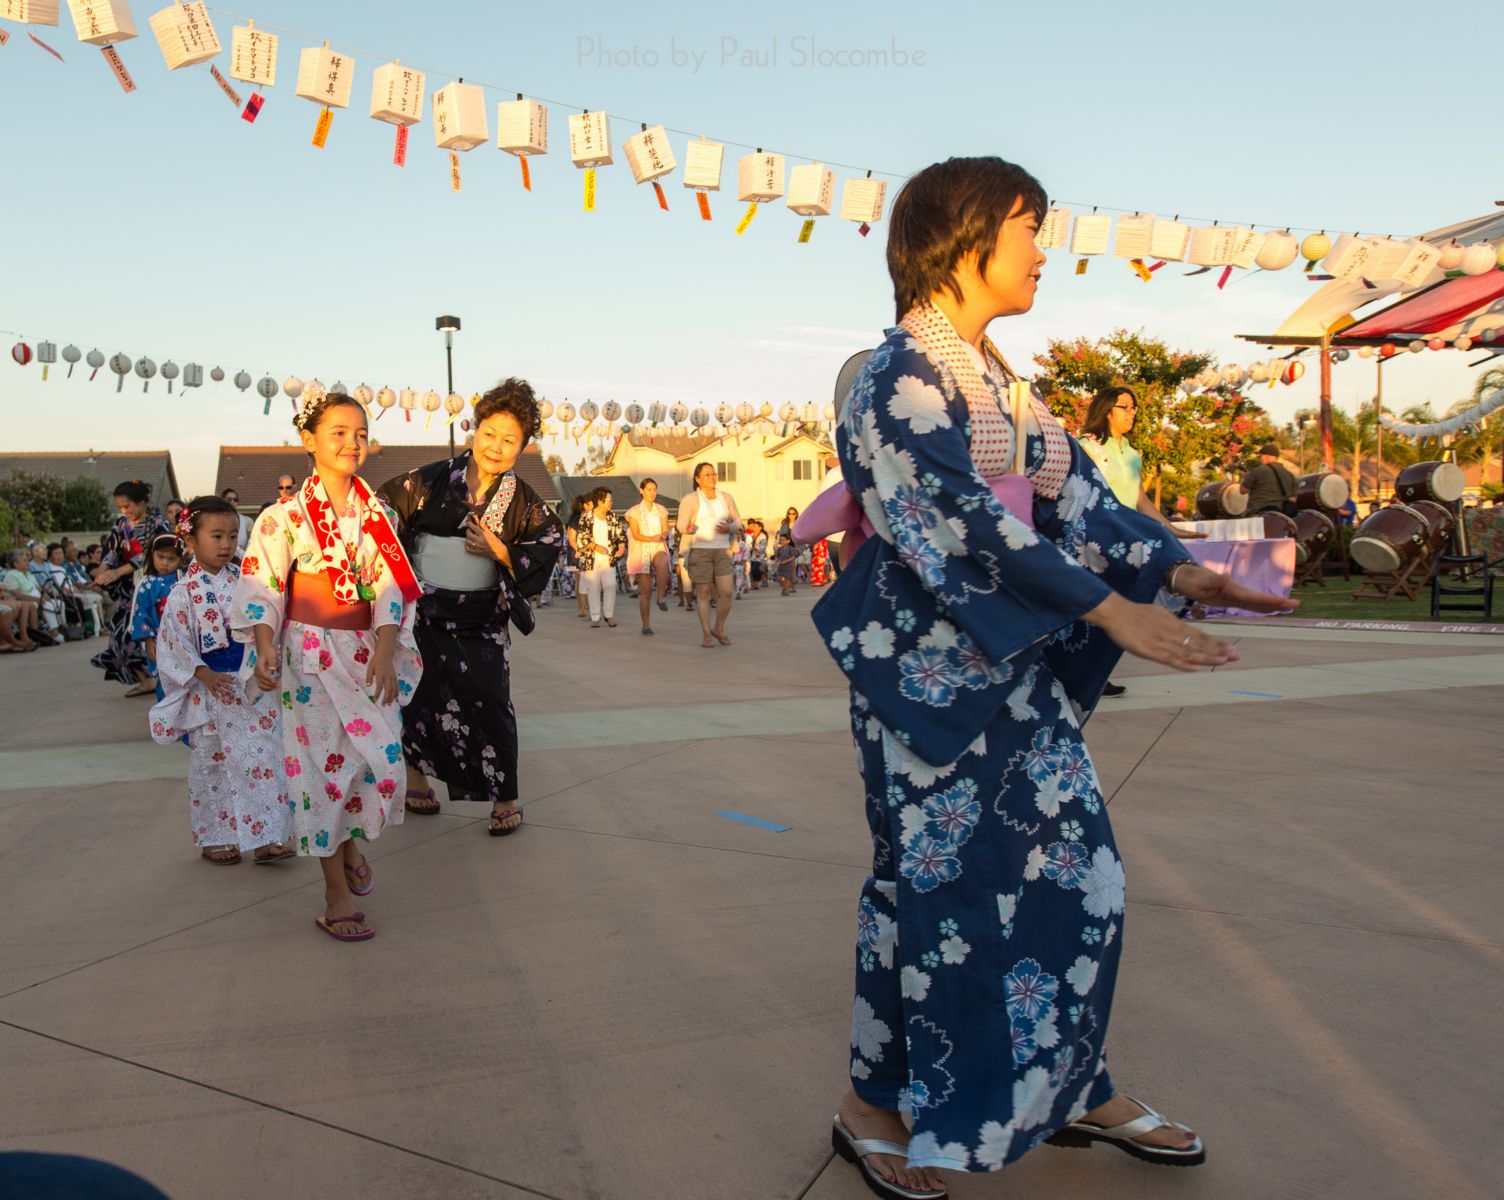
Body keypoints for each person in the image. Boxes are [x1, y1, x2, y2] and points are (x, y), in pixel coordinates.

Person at [812, 156, 1295, 1196]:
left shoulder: (997, 383)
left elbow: (1078, 501)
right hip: (928, 690)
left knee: (1083, 883)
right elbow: (959, 525)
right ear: (963, 234)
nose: (1045, 248)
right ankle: (871, 1106)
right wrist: (1108, 606)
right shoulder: (896, 376)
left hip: (1013, 673)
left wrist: (1182, 570)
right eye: (1029, 226)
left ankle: (1072, 1084)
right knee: (929, 900)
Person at [232, 390, 422, 942]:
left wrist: (387, 649)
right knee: (319, 777)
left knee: (379, 767)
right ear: (308, 440)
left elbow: (391, 586)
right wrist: (264, 644)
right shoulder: (280, 518)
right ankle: (335, 893)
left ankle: (351, 842)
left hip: (366, 655)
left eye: (360, 433)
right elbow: (262, 586)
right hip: (309, 660)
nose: (351, 443)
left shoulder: (378, 515)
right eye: (338, 432)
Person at [380, 378, 563, 835]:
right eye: (489, 435)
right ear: (473, 430)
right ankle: (417, 779)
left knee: (491, 703)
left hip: (481, 619)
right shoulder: (431, 478)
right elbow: (381, 512)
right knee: (418, 697)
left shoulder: (521, 499)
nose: (496, 448)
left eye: (509, 440)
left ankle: (505, 797)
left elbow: (550, 539)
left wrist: (502, 552)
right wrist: (401, 582)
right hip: (424, 612)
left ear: (522, 446)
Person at [150, 497, 294, 866]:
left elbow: (267, 622)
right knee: (211, 767)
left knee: (262, 760)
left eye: (232, 535)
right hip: (209, 689)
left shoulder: (248, 583)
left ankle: (268, 836)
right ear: (192, 542)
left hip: (249, 684)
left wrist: (265, 661)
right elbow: (173, 642)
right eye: (216, 536)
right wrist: (202, 672)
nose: (226, 544)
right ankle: (218, 836)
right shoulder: (183, 592)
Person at [92, 480, 171, 691]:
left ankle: (161, 677)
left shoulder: (157, 522)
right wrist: (102, 570)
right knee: (121, 634)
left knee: (151, 633)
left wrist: (116, 571)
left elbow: (149, 555)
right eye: (120, 507)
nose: (124, 511)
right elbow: (111, 551)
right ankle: (145, 679)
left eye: (127, 506)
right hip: (127, 590)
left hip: (151, 586)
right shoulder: (121, 525)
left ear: (142, 502)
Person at [678, 463, 743, 647]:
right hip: (700, 550)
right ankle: (707, 634)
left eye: (714, 474)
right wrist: (687, 527)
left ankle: (719, 628)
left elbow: (738, 521)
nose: (712, 477)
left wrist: (729, 527)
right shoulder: (690, 499)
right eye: (707, 475)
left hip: (723, 550)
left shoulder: (726, 498)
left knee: (727, 592)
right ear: (698, 479)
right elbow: (681, 523)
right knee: (704, 593)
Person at [127, 533, 184, 695]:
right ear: (152, 555)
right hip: (158, 640)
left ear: (180, 560)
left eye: (171, 559)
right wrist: (148, 641)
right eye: (160, 557)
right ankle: (166, 717)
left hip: (184, 639)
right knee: (163, 677)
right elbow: (141, 614)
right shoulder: (146, 584)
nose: (165, 563)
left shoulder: (186, 581)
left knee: (187, 677)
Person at [624, 477, 671, 635]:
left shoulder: (662, 510)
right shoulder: (634, 511)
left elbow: (666, 529)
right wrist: (651, 538)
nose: (652, 493)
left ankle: (661, 598)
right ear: (642, 491)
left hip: (657, 545)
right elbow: (636, 534)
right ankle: (646, 625)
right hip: (641, 548)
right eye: (649, 489)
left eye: (654, 489)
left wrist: (662, 535)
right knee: (646, 591)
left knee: (663, 564)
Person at [576, 487, 626, 629]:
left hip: (608, 557)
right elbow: (582, 538)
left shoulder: (613, 516)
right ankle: (595, 616)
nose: (611, 502)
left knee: (610, 584)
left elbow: (620, 534)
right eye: (609, 499)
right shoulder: (586, 517)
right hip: (591, 558)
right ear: (599, 500)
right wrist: (596, 547)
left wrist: (621, 547)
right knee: (593, 587)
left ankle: (609, 615)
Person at [1240, 444, 1298, 516]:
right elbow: (1293, 499)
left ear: (1265, 457)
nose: (1260, 459)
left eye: (1260, 456)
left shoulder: (1258, 471)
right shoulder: (1290, 475)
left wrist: (1245, 478)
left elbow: (1243, 490)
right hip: (1280, 516)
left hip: (1257, 514)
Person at [562, 494, 589, 619]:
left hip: (575, 553)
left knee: (581, 581)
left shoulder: (573, 519)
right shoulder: (576, 519)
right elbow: (571, 539)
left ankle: (583, 607)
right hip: (577, 553)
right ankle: (583, 607)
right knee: (582, 580)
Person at [221, 486, 252, 557]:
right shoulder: (218, 519)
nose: (233, 502)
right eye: (229, 499)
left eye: (235, 500)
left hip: (243, 560)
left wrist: (247, 556)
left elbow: (251, 542)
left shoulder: (246, 520)